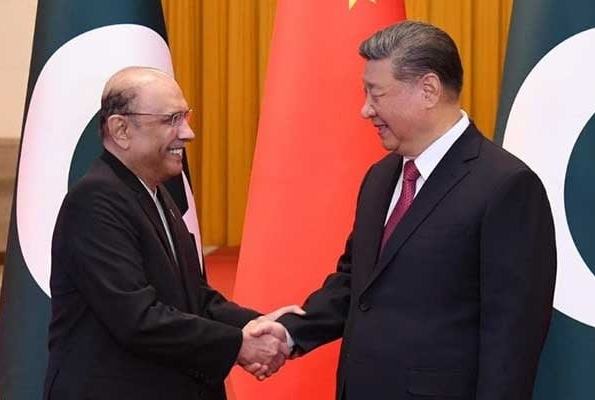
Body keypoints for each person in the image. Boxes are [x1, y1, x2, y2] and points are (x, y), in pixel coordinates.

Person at [272, 21, 557, 400]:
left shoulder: (506, 186)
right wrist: (289, 333)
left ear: (428, 90)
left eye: (376, 94)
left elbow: (512, 339)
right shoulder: (380, 177)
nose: (365, 110)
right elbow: (355, 283)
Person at [44, 66, 299, 400]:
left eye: (185, 117)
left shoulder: (154, 193)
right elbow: (138, 318)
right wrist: (240, 345)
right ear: (121, 129)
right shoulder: (95, 201)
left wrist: (263, 325)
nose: (188, 133)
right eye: (171, 120)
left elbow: (194, 298)